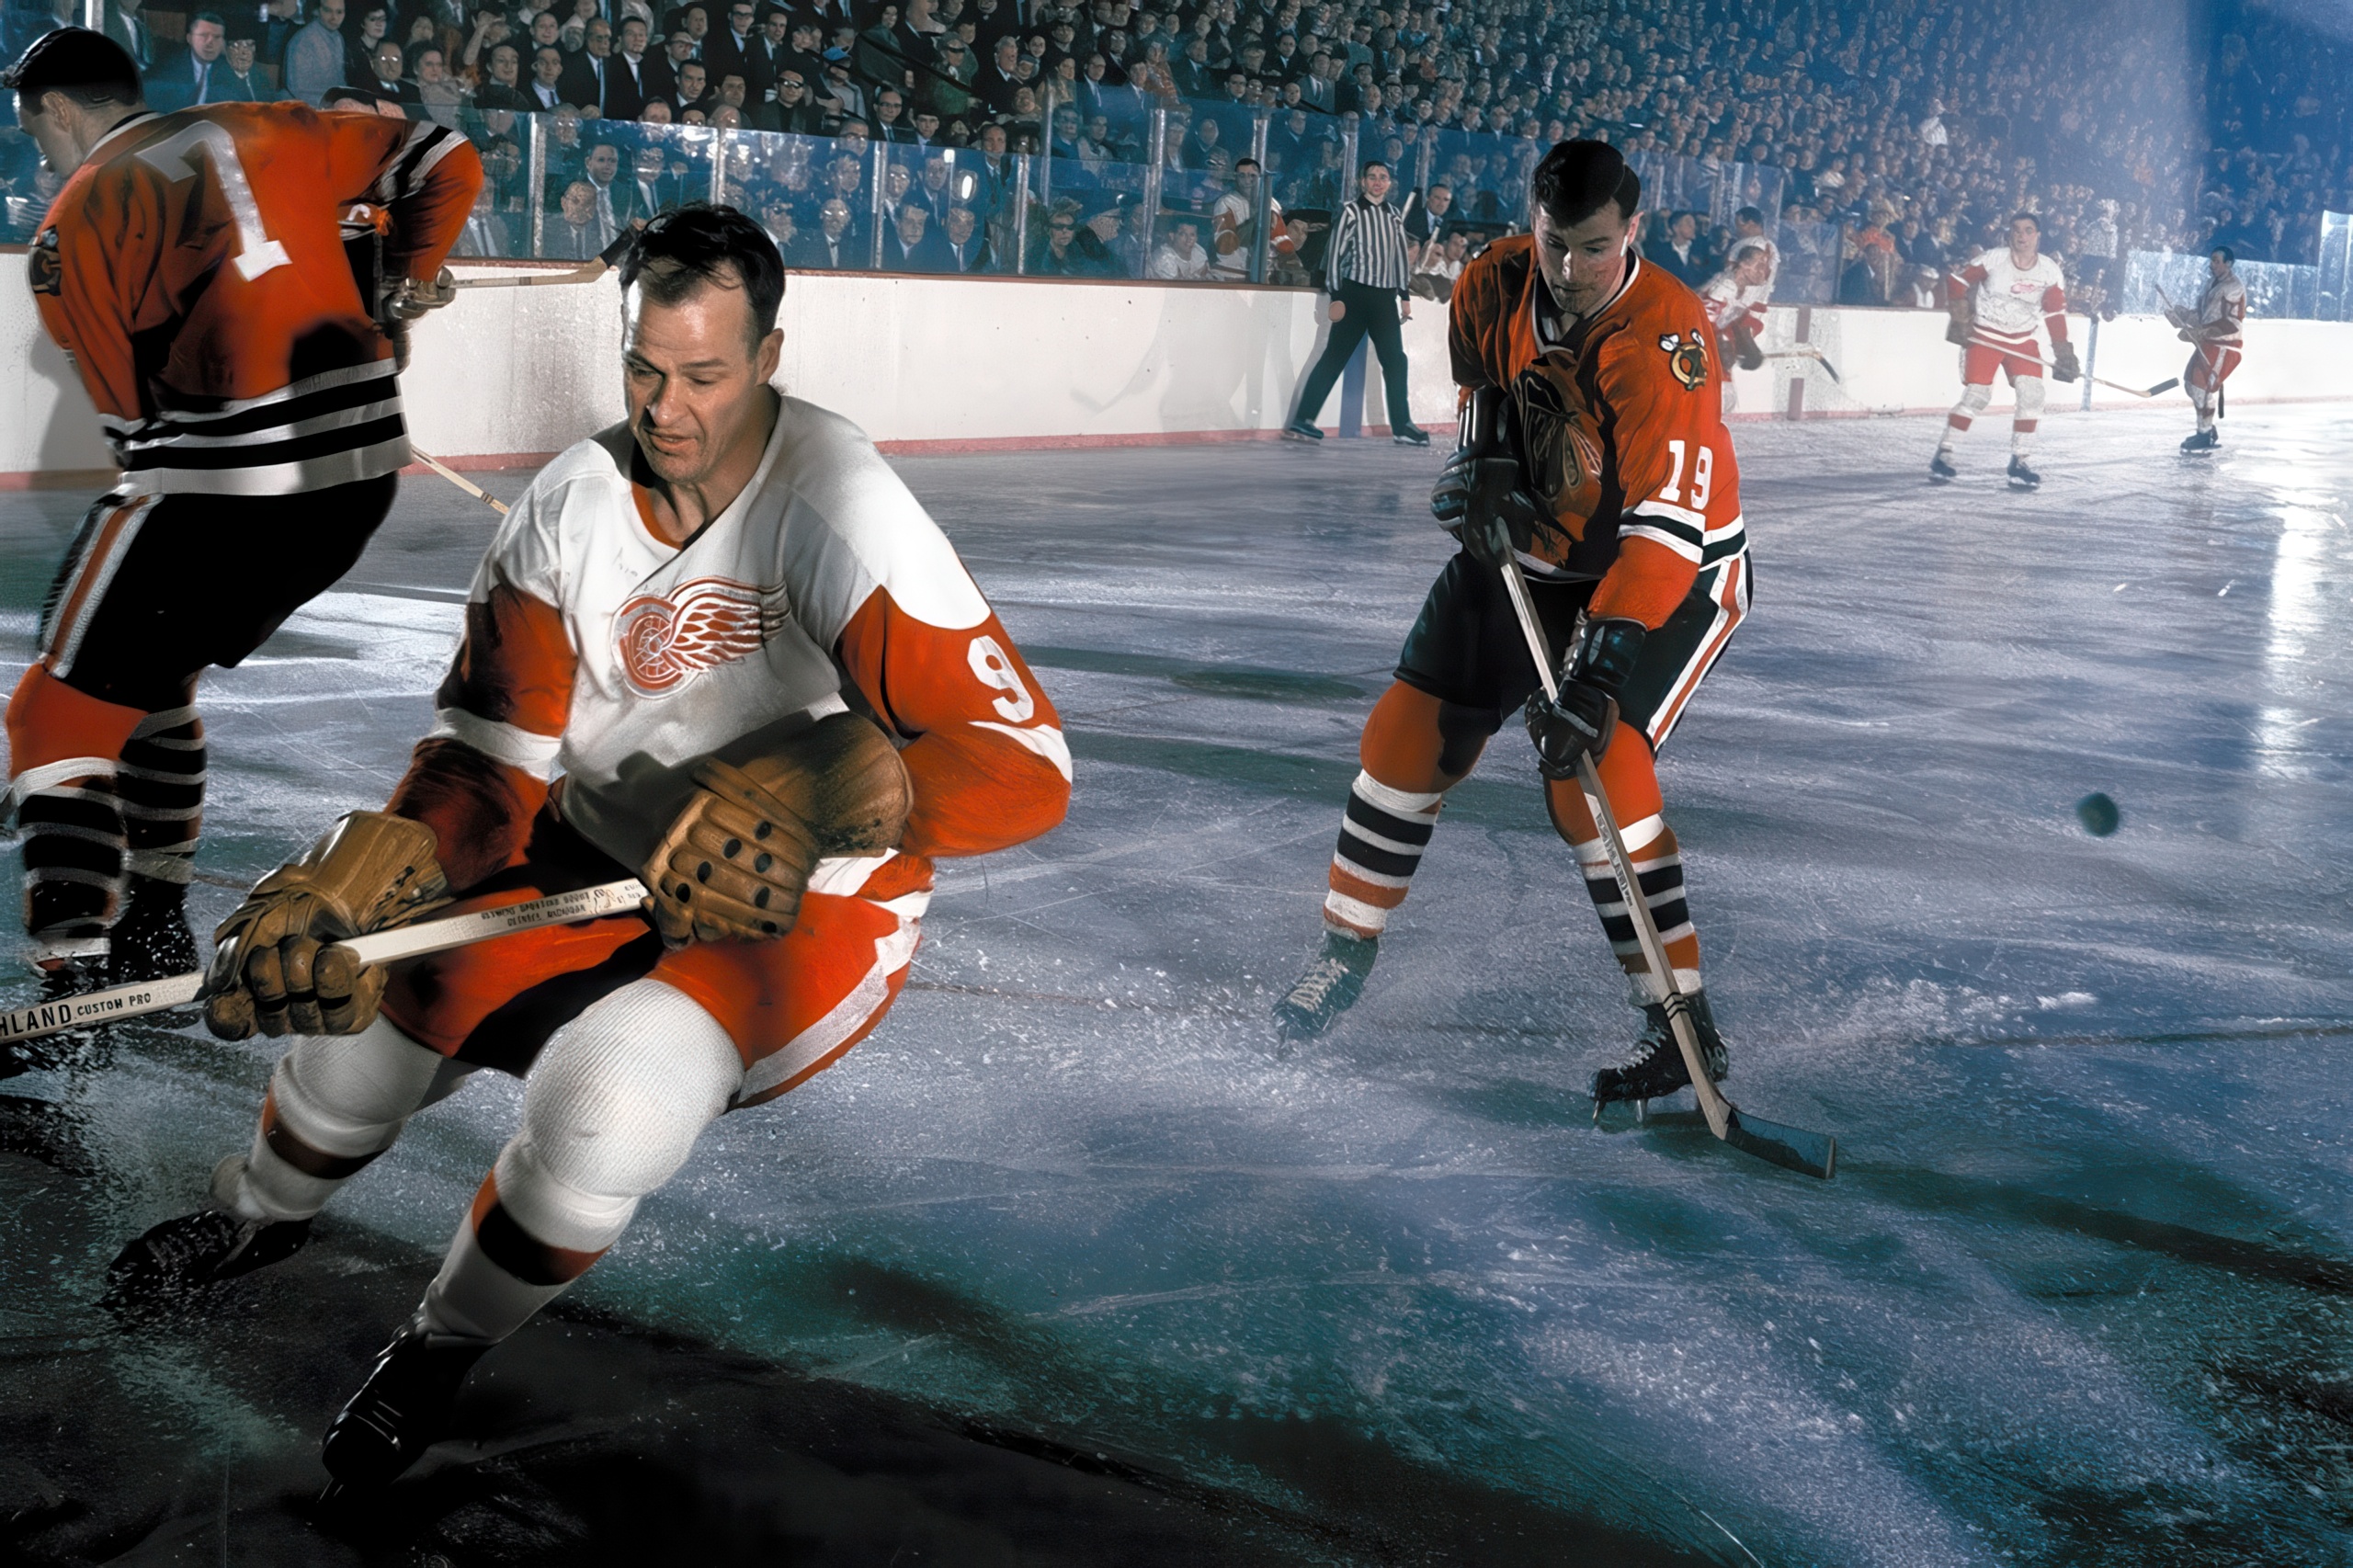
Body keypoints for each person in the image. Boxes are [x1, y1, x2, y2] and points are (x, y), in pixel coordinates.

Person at [104, 204, 1073, 1491]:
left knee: (609, 1105)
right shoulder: (567, 499)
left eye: (707, 375)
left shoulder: (845, 505)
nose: (667, 409)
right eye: (644, 369)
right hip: (587, 856)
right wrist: (371, 861)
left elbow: (1024, 767)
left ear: (770, 356)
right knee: (359, 1031)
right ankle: (252, 1217)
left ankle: (439, 1343)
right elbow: (492, 759)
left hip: (798, 901)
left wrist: (828, 785)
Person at [0, 28, 480, 1014]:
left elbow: (139, 432)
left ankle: (71, 987)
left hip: (221, 490)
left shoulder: (69, 228)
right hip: (358, 479)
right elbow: (443, 159)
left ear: (51, 109)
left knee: (51, 715)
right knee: (149, 672)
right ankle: (154, 921)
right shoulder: (276, 124)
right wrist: (399, 277)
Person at [1271, 140, 1752, 1119]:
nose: (1571, 270)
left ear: (1634, 234)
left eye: (1594, 248)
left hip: (1665, 569)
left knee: (1593, 772)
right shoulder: (1490, 281)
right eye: (1553, 243)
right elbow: (1485, 406)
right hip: (1532, 554)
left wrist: (1598, 670)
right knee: (1402, 741)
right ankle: (1342, 950)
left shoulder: (1666, 337)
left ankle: (1678, 1015)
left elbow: (1661, 534)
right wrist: (1475, 476)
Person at [1282, 160, 1427, 446]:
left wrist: (1405, 297)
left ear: (1389, 183)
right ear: (1363, 182)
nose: (1377, 181)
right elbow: (1334, 254)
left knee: (1395, 361)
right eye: (1372, 176)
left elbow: (1399, 259)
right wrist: (1337, 296)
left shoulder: (1394, 216)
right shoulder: (1351, 211)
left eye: (1383, 177)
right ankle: (1303, 420)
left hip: (1384, 299)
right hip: (1354, 295)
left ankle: (1402, 426)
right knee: (1334, 357)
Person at [1930, 211, 2075, 490]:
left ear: (2038, 236)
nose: (2022, 236)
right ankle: (1945, 452)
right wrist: (1961, 314)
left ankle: (2019, 462)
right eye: (2017, 230)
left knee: (2032, 395)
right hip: (1986, 336)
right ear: (2010, 234)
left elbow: (2055, 312)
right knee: (1977, 396)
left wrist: (2064, 352)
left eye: (2028, 230)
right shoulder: (1994, 259)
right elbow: (1957, 282)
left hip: (2023, 339)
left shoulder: (2049, 270)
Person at [2172, 245, 2245, 454]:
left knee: (2200, 388)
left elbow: (2230, 322)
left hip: (2225, 344)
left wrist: (2201, 332)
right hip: (2210, 342)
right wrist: (2184, 316)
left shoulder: (2233, 287)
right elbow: (2204, 315)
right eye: (2211, 260)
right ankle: (2206, 428)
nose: (2212, 264)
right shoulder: (2210, 284)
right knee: (2191, 385)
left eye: (2216, 261)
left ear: (2228, 264)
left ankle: (2204, 434)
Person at [1696, 240, 1771, 415]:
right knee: (1718, 400)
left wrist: (1747, 344)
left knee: (1725, 400)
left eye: (1765, 265)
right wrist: (1719, 343)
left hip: (1709, 355)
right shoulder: (1725, 286)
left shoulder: (1745, 290)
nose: (1763, 270)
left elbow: (1735, 319)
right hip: (1694, 352)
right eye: (1759, 264)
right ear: (1743, 264)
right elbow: (1701, 322)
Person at [142, 9, 226, 110]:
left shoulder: (229, 72)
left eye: (216, 37)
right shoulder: (168, 68)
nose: (210, 43)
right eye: (204, 35)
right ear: (189, 38)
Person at [283, 0, 348, 105]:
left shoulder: (338, 37)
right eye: (328, 11)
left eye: (339, 12)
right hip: (310, 109)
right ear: (318, 11)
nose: (334, 18)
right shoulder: (304, 40)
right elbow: (298, 89)